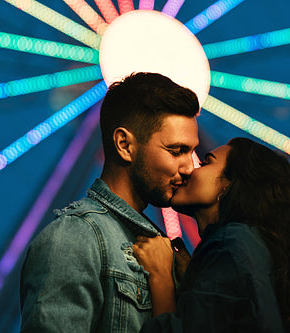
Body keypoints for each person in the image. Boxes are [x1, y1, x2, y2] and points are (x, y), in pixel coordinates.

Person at [19, 72, 200, 333]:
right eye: (176, 151)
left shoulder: (167, 252)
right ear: (124, 144)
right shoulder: (75, 238)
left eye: (192, 151)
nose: (189, 167)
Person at [133, 137, 290, 333]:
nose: (189, 170)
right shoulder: (248, 247)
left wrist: (161, 278)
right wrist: (192, 278)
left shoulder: (231, 245)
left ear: (229, 184)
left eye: (204, 164)